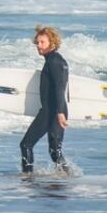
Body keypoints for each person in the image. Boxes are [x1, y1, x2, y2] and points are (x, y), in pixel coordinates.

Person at [20, 25, 69, 174]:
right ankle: (67, 176)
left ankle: (27, 177)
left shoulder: (54, 61)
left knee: (26, 145)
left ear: (52, 43)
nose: (38, 46)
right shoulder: (57, 60)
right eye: (37, 43)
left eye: (42, 42)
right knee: (55, 150)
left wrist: (59, 112)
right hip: (57, 109)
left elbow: (59, 88)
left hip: (52, 111)